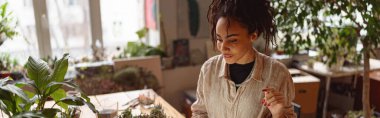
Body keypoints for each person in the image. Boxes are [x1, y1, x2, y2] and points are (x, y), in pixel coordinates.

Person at [191, 0, 296, 117]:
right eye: (219, 39)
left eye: (232, 40)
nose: (223, 47)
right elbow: (199, 113)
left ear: (253, 36)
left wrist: (278, 114)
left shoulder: (278, 74)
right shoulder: (208, 70)